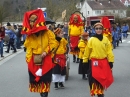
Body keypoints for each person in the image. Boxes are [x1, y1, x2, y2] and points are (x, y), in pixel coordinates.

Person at [21, 9, 57, 97]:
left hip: (46, 59)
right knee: (37, 82)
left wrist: (46, 51)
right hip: (34, 60)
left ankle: (44, 94)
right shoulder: (30, 36)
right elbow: (28, 48)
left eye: (34, 21)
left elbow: (54, 44)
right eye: (30, 21)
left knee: (45, 81)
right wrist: (28, 60)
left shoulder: (48, 33)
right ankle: (42, 94)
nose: (32, 23)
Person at [83, 22, 114, 97]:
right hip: (94, 62)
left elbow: (109, 51)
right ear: (94, 30)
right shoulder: (91, 40)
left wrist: (111, 61)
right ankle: (98, 92)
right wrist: (85, 61)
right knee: (94, 79)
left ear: (102, 29)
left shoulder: (106, 39)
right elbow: (87, 51)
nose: (98, 30)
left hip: (103, 62)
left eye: (100, 28)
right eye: (97, 29)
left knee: (103, 78)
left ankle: (101, 92)